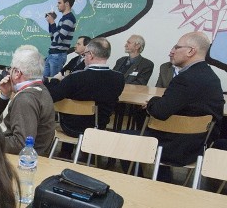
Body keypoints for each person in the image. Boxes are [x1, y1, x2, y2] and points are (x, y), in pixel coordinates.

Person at [144, 32, 224, 167]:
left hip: (174, 148)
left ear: (191, 51)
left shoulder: (185, 79)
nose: (172, 51)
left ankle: (150, 183)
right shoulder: (211, 76)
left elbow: (160, 112)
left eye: (177, 47)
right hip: (199, 146)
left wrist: (152, 101)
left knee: (123, 139)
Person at [46, 37, 125, 157]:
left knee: (70, 111)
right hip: (98, 127)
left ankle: (65, 153)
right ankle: (89, 157)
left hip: (71, 128)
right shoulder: (119, 79)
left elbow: (51, 96)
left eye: (85, 53)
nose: (84, 56)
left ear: (91, 55)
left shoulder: (75, 78)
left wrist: (55, 81)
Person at [0, 46, 55, 155]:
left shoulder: (25, 99)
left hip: (15, 159)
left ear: (17, 73)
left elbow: (20, 144)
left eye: (10, 69)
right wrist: (5, 95)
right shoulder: (40, 89)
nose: (8, 72)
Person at [43, 0, 76, 78]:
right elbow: (53, 38)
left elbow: (58, 39)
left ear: (67, 4)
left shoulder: (69, 19)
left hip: (58, 56)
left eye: (59, 3)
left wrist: (53, 23)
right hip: (52, 55)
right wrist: (50, 23)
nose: (57, 5)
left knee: (54, 83)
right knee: (44, 82)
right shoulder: (63, 19)